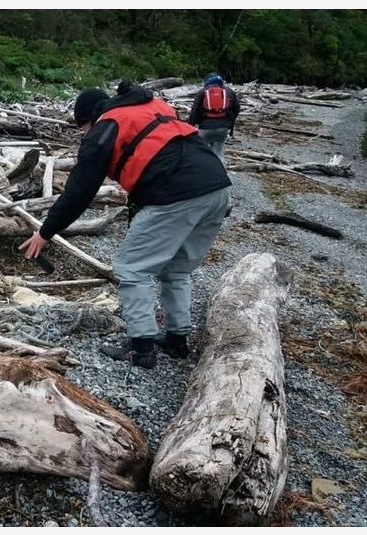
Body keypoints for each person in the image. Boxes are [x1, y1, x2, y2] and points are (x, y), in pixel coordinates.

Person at [18, 81, 231, 369]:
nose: (83, 133)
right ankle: (176, 340)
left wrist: (45, 232)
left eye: (81, 126)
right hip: (217, 187)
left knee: (132, 269)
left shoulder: (104, 128)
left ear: (89, 119)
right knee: (176, 268)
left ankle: (142, 348)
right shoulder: (151, 107)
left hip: (177, 194)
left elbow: (79, 191)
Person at [188, 73, 240, 164]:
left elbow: (194, 113)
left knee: (201, 152)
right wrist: (229, 124)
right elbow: (237, 109)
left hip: (205, 128)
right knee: (218, 153)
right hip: (223, 128)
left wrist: (189, 126)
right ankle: (222, 173)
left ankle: (202, 173)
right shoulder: (229, 91)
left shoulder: (202, 92)